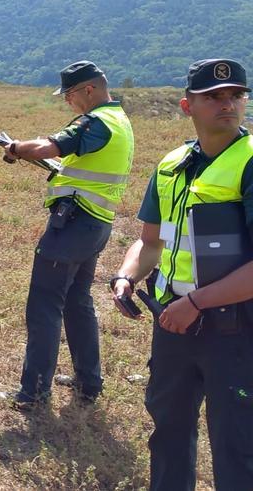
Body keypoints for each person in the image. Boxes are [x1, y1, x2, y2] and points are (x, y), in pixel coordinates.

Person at [109, 59, 253, 490]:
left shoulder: (249, 162)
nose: (227, 104)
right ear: (187, 106)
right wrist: (126, 275)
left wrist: (195, 303)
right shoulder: (171, 165)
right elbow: (150, 242)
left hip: (237, 329)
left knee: (237, 447)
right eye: (213, 97)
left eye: (235, 95)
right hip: (173, 323)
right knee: (168, 434)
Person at [0, 60, 134, 409]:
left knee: (44, 305)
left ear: (89, 89)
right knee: (77, 302)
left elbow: (48, 146)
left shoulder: (98, 121)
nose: (67, 102)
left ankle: (34, 392)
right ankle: (89, 382)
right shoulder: (120, 120)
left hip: (73, 225)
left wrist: (17, 148)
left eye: (69, 95)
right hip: (95, 224)